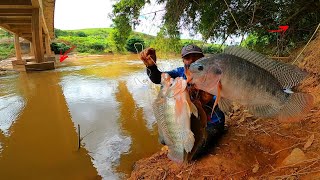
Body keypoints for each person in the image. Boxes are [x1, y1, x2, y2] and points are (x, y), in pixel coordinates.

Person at [140, 44, 226, 160]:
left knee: (192, 153)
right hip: (190, 121)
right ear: (183, 60)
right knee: (163, 139)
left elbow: (221, 100)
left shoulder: (213, 76)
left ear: (203, 58)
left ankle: (215, 132)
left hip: (212, 123)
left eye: (196, 57)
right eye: (188, 57)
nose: (192, 60)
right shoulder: (179, 73)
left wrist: (206, 99)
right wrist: (151, 67)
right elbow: (158, 78)